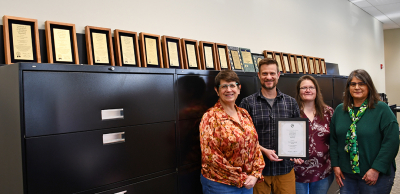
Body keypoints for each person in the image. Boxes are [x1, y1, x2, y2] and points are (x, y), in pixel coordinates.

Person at [330, 69, 399, 194]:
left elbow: (391, 142)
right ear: (348, 87)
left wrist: (376, 169)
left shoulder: (381, 109)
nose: (357, 87)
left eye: (362, 83)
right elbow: (334, 140)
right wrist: (335, 165)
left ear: (369, 86)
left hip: (375, 174)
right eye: (353, 84)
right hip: (347, 175)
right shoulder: (340, 110)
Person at [240, 58, 302, 194]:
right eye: (264, 74)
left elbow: (297, 134)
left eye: (272, 73)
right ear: (259, 75)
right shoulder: (247, 103)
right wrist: (263, 150)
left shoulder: (290, 102)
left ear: (278, 75)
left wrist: (297, 152)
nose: (269, 77)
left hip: (285, 169)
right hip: (259, 172)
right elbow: (244, 137)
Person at [199, 69, 265, 194]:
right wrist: (242, 178)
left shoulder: (244, 113)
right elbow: (211, 157)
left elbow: (255, 146)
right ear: (217, 90)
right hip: (221, 184)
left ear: (239, 89)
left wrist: (255, 174)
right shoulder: (210, 117)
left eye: (232, 86)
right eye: (224, 86)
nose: (229, 90)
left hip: (247, 183)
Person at [293, 75, 334, 194]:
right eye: (304, 87)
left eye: (311, 87)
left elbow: (335, 139)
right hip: (298, 171)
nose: (308, 90)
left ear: (316, 90)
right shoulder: (292, 112)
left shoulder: (328, 112)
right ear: (298, 91)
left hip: (323, 170)